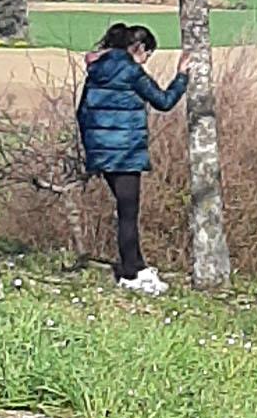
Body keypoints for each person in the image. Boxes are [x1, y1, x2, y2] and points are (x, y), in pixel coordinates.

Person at [75, 23, 189, 295]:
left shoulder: (96, 72)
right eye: (147, 54)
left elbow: (82, 112)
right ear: (138, 48)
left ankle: (136, 264)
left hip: (102, 153)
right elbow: (163, 101)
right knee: (128, 214)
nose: (146, 60)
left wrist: (94, 148)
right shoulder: (130, 71)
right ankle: (131, 272)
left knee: (125, 210)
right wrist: (182, 76)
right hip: (126, 154)